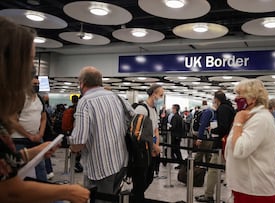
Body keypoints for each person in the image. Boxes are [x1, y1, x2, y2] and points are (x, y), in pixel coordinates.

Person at [0, 16, 89, 203]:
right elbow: (9, 190)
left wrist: (33, 151)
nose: (32, 69)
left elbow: (5, 163)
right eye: (30, 60)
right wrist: (66, 192)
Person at [69, 66, 133, 202]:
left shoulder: (85, 102)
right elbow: (133, 118)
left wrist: (72, 147)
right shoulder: (116, 97)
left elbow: (79, 142)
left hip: (101, 168)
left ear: (82, 83)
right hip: (121, 162)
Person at [225, 79, 275, 203]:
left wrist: (238, 122)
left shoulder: (260, 119)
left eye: (240, 94)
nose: (236, 98)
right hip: (244, 186)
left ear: (253, 98)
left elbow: (239, 150)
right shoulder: (247, 115)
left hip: (254, 189)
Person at [195, 91, 235, 202]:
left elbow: (223, 127)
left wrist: (212, 130)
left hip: (222, 143)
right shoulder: (229, 108)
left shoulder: (222, 109)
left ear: (216, 99)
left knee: (213, 169)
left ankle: (208, 195)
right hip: (227, 142)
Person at [11, 76, 48, 181]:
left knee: (41, 167)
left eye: (37, 84)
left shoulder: (40, 99)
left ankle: (43, 191)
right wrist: (29, 136)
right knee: (18, 168)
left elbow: (43, 118)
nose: (36, 86)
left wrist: (40, 134)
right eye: (34, 84)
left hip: (36, 138)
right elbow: (13, 121)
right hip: (18, 139)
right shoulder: (20, 99)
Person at [133, 84, 163, 203]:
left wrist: (157, 145)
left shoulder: (154, 109)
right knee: (140, 181)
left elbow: (155, 129)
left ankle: (133, 197)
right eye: (160, 95)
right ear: (153, 94)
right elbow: (137, 133)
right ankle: (135, 198)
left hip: (152, 150)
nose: (161, 97)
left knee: (149, 178)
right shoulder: (141, 109)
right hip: (142, 152)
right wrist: (153, 146)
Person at [169, 104, 184, 169]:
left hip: (175, 136)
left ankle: (181, 163)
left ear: (175, 109)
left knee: (176, 150)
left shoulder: (175, 117)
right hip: (178, 135)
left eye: (173, 108)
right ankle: (181, 163)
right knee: (176, 150)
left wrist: (169, 127)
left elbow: (173, 126)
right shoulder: (179, 116)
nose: (172, 109)